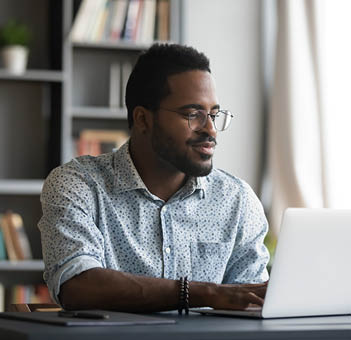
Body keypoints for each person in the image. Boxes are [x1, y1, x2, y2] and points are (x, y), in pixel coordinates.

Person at [38, 43, 269, 313]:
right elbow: (78, 285)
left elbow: (252, 302)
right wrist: (204, 293)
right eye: (193, 114)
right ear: (143, 119)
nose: (211, 131)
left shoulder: (237, 199)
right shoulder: (77, 185)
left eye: (214, 115)